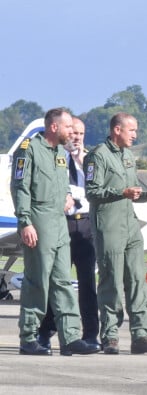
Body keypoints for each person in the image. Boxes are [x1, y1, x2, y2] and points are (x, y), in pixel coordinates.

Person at [10, 108, 100, 356]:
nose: (72, 131)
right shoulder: (28, 150)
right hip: (39, 220)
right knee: (37, 280)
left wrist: (68, 196)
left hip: (60, 223)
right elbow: (20, 188)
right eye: (68, 127)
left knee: (63, 282)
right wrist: (25, 222)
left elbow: (62, 185)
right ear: (53, 127)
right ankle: (29, 337)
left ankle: (70, 336)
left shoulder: (61, 152)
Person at [84, 112, 147, 355]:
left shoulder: (128, 156)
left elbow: (133, 191)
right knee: (111, 282)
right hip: (108, 226)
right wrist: (121, 192)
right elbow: (92, 191)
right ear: (117, 130)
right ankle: (110, 336)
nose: (135, 135)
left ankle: (141, 334)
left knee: (137, 280)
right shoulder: (97, 156)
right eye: (131, 130)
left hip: (130, 225)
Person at [37, 117, 100, 349]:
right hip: (61, 224)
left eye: (81, 134)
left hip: (84, 225)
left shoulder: (91, 160)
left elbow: (97, 186)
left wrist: (82, 161)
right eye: (73, 132)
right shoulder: (55, 157)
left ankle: (91, 333)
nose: (77, 137)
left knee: (87, 284)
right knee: (58, 282)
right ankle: (46, 331)